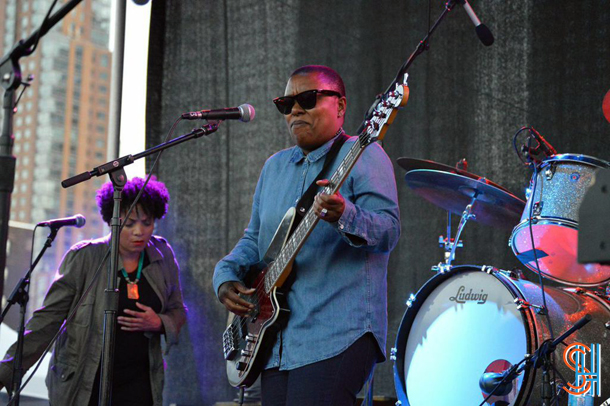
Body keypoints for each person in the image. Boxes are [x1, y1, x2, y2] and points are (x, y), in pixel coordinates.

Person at [213, 65, 400, 405]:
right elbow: (254, 240)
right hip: (274, 342)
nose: (295, 109)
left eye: (308, 99)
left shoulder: (364, 153)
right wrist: (224, 278)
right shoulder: (274, 167)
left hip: (336, 333)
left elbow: (388, 230)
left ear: (340, 107)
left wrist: (346, 215)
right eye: (286, 103)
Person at [0, 177, 186, 406]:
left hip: (140, 385)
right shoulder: (85, 257)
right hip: (84, 384)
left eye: (147, 223)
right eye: (129, 224)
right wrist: (7, 369)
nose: (139, 232)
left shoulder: (162, 254)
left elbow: (178, 309)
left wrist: (159, 322)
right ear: (112, 221)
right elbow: (47, 320)